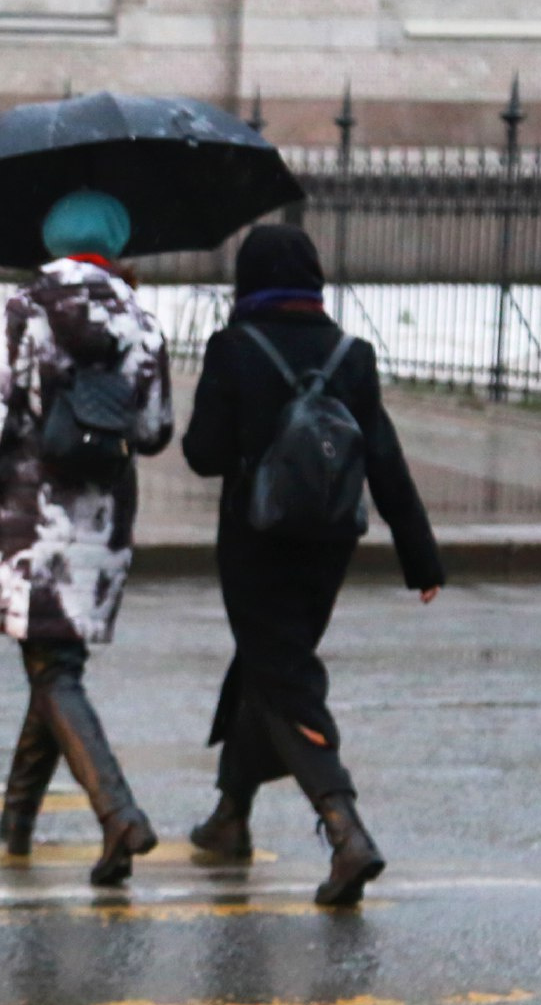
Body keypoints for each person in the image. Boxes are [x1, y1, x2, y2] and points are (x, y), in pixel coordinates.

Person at [181, 224, 443, 908]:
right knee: (268, 663)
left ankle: (345, 828)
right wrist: (421, 557)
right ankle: (230, 816)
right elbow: (384, 459)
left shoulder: (233, 347)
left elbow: (203, 453)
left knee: (285, 676)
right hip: (329, 544)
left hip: (255, 542)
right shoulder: (350, 354)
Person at [0, 189, 173, 886]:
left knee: (53, 671)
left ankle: (119, 814)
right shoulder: (141, 319)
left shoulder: (28, 308)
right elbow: (156, 430)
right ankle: (15, 825)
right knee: (54, 667)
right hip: (102, 522)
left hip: (32, 514)